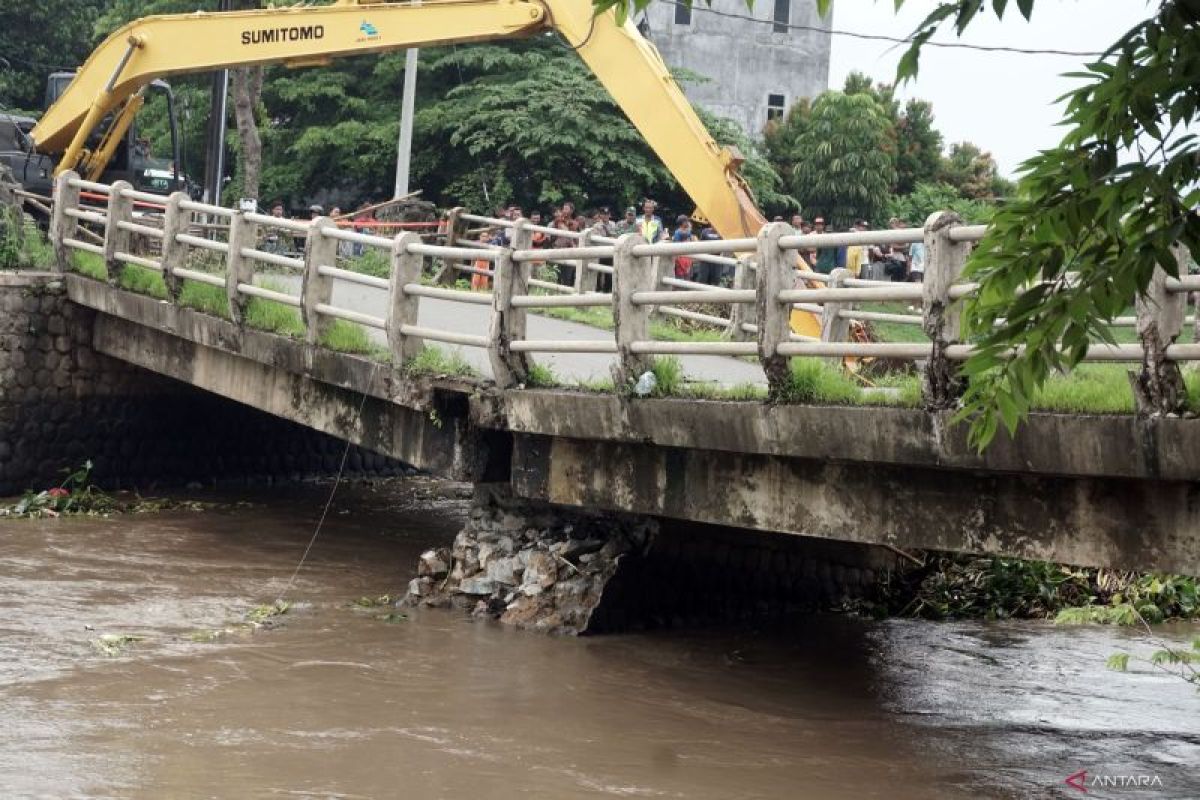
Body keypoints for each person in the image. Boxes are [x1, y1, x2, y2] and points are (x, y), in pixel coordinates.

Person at [671, 214, 695, 279]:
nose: (687, 223)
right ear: (682, 223)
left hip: (688, 258)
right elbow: (676, 246)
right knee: (680, 278)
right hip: (680, 258)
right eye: (686, 221)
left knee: (688, 277)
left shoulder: (688, 232)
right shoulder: (678, 232)